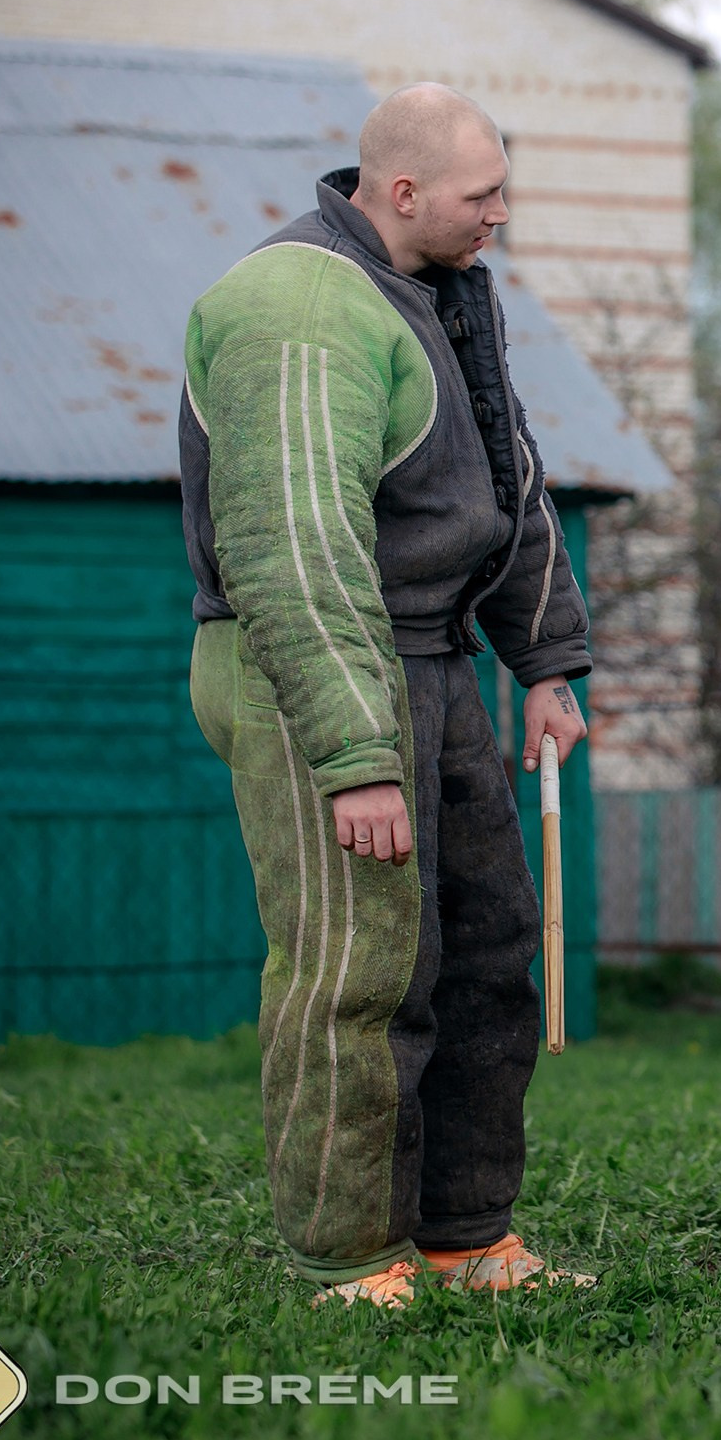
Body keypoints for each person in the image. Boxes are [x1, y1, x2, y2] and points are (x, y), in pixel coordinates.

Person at [180, 83, 597, 1307]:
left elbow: (506, 483)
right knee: (360, 969)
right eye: (484, 197)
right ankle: (351, 1257)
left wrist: (547, 664)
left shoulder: (444, 293)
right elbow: (294, 546)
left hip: (430, 660)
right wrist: (357, 756)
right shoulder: (295, 308)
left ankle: (468, 1236)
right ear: (401, 191)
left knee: (484, 951)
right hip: (307, 669)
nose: (502, 217)